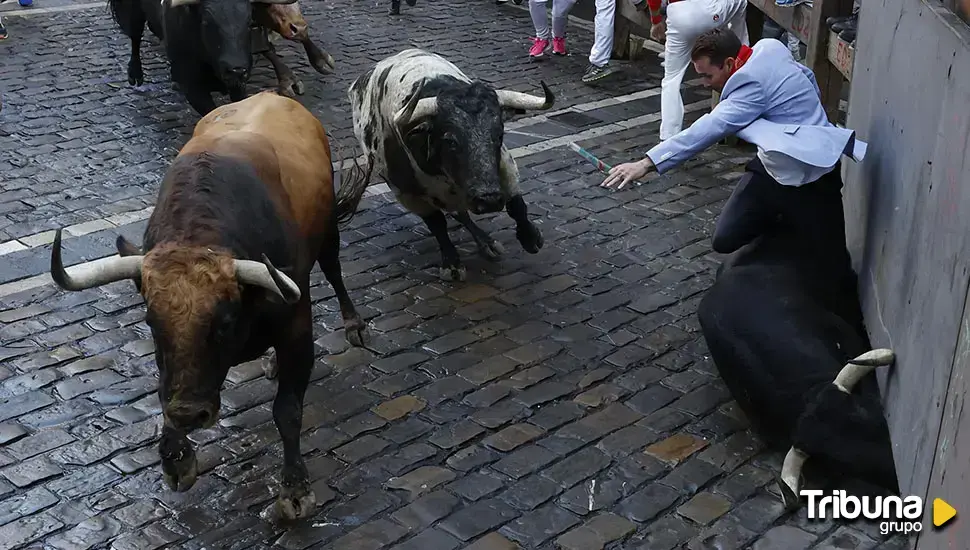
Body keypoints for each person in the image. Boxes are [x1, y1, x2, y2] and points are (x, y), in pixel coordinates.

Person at [600, 28, 867, 262]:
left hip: (813, 177)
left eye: (707, 76)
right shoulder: (769, 46)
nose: (704, 84)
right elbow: (807, 76)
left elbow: (706, 130)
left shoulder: (749, 88)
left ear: (729, 63)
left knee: (833, 260)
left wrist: (646, 163)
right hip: (771, 168)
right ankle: (782, 226)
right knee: (725, 239)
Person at [636, 0, 749, 140]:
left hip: (679, 15)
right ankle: (743, 58)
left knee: (671, 79)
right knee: (741, 2)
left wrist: (656, 21)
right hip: (708, 11)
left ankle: (668, 135)